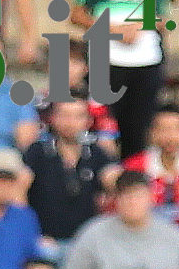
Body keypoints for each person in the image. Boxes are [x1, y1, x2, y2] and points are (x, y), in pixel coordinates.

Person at [71, 0, 168, 162]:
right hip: (106, 60)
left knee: (138, 131)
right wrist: (114, 30)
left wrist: (139, 27)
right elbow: (77, 14)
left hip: (145, 60)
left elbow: (161, 17)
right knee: (103, 128)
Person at [25, 97, 113, 245]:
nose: (70, 122)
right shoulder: (37, 152)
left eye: (78, 116)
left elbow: (113, 181)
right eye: (64, 115)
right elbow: (19, 195)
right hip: (44, 241)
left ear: (88, 120)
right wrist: (32, 234)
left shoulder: (97, 154)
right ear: (52, 118)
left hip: (87, 244)